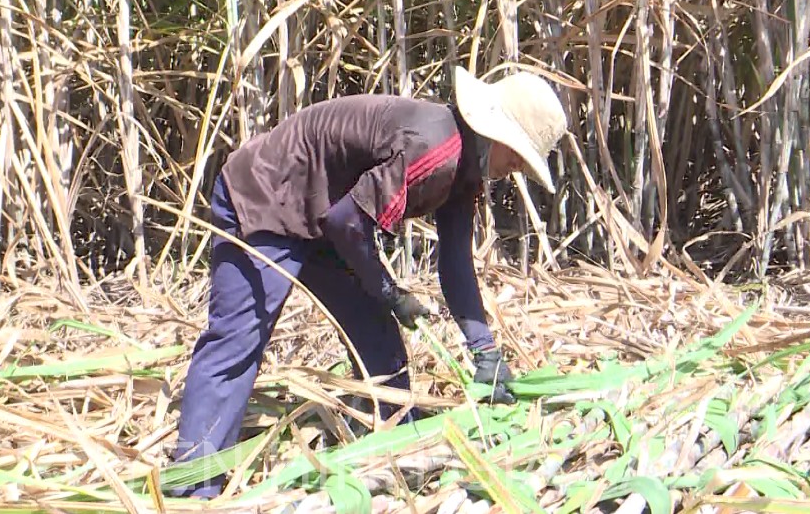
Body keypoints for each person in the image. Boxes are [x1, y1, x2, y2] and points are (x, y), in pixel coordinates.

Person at [168, 66, 568, 498]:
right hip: (268, 195)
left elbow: (454, 262)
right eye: (516, 157)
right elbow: (347, 223)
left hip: (324, 214)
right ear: (495, 134)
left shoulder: (465, 171)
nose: (514, 169)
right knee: (238, 341)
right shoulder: (435, 151)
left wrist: (484, 350)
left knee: (379, 342)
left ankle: (393, 455)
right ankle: (193, 486)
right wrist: (389, 292)